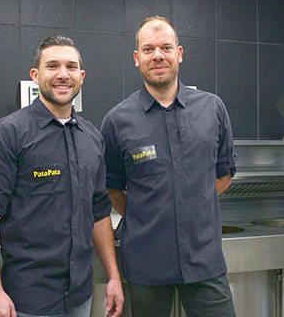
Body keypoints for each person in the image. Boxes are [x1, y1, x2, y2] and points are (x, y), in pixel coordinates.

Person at [0, 35, 124, 317]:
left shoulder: (92, 138)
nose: (62, 75)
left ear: (81, 76)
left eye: (71, 67)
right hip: (27, 300)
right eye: (52, 66)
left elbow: (99, 212)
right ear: (36, 74)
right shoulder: (10, 132)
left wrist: (113, 277)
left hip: (80, 297)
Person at [100, 16, 236, 317]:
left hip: (205, 262)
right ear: (137, 58)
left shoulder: (212, 108)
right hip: (146, 266)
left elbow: (223, 174)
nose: (158, 55)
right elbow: (112, 188)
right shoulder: (117, 121)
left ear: (180, 53)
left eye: (166, 47)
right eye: (148, 49)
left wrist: (193, 203)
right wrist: (149, 213)